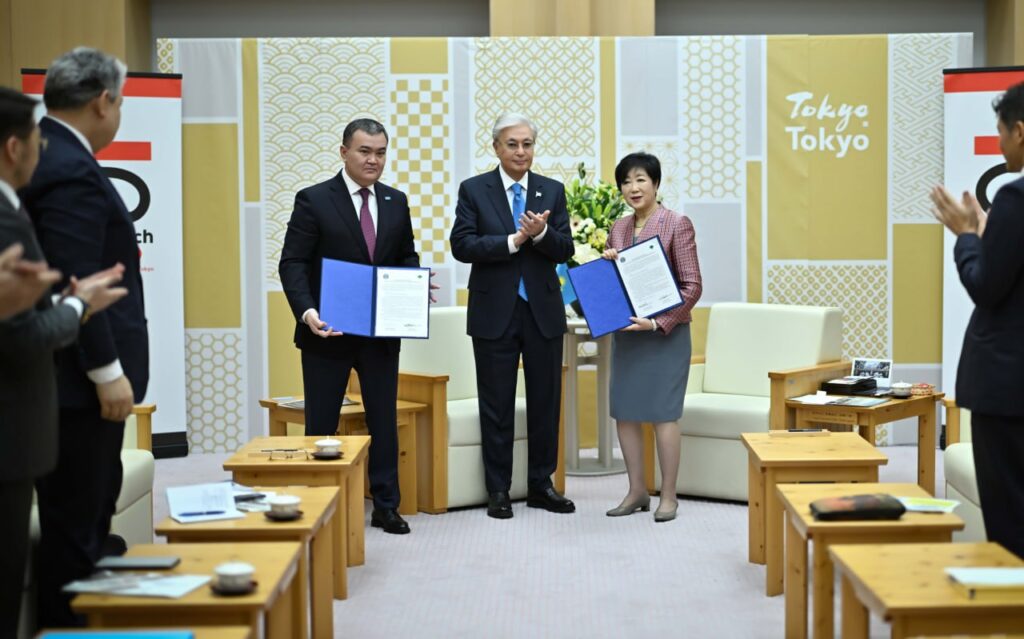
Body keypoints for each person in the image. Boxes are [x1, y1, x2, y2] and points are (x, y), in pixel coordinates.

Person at [19, 48, 149, 627]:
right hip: (78, 385)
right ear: (104, 101)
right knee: (76, 532)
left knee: (88, 521)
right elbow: (78, 283)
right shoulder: (68, 166)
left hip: (69, 383)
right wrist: (106, 372)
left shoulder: (51, 151)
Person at [279, 118, 425, 535]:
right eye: (364, 151)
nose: (373, 160)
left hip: (380, 334)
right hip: (328, 331)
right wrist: (307, 312)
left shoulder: (395, 201)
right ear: (344, 152)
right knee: (322, 423)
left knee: (383, 421)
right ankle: (318, 503)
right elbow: (292, 263)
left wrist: (413, 285)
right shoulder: (313, 199)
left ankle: (386, 506)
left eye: (380, 152)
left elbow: (406, 256)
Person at [450, 113, 576, 519]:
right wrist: (512, 241)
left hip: (542, 312)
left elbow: (565, 248)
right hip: (494, 312)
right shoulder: (474, 190)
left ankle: (541, 485)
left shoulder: (551, 190)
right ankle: (498, 490)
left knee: (545, 403)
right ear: (496, 148)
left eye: (527, 144)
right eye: (512, 144)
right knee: (496, 404)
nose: (521, 151)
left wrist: (541, 235)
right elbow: (462, 245)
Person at [931, 81, 1024, 559]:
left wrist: (967, 236)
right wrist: (992, 236)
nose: (1000, 144)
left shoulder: (1015, 198)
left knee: (1009, 523)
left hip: (1007, 390)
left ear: (1020, 131)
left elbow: (987, 286)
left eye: (1001, 133)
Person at [602, 152, 702, 523]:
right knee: (625, 413)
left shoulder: (677, 223)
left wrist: (658, 323)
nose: (633, 187)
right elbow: (618, 286)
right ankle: (636, 491)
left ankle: (669, 496)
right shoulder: (618, 228)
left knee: (664, 416)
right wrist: (608, 266)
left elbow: (692, 285)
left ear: (656, 183)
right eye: (626, 181)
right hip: (629, 335)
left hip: (665, 336)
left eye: (641, 179)